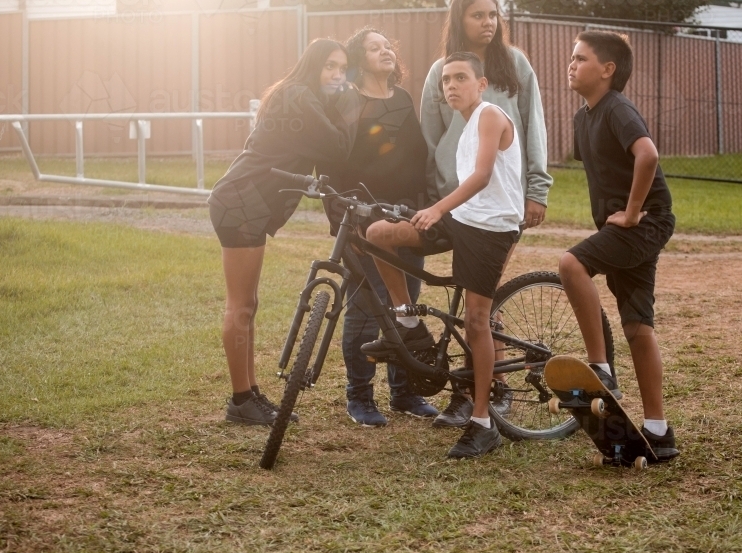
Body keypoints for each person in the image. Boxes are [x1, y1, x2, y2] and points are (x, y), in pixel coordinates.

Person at [362, 52, 523, 459]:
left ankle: (483, 422)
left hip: (491, 228)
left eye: (460, 78)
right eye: (446, 80)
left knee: (475, 321)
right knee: (378, 234)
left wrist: (437, 208)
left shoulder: (489, 115)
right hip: (462, 219)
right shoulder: (464, 123)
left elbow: (482, 176)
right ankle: (409, 321)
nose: (450, 85)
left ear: (481, 83)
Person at [421, 0, 553, 429]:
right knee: (463, 300)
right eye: (478, 15)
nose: (488, 22)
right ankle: (469, 389)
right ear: (459, 20)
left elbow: (534, 126)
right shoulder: (442, 71)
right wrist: (438, 200)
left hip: (498, 204)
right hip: (453, 204)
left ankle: (488, 393)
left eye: (493, 14)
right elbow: (431, 137)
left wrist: (537, 188)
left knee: (480, 302)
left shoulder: (514, 65)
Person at [208, 39, 359, 427]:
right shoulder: (299, 97)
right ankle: (241, 400)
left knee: (248, 304)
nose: (337, 75)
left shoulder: (297, 96)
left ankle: (250, 393)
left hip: (244, 201)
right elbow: (339, 148)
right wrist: (351, 104)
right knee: (240, 305)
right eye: (329, 66)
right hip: (241, 202)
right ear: (311, 65)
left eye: (342, 68)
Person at [559, 30, 680, 460]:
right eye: (571, 58)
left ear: (608, 70)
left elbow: (647, 155)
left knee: (571, 265)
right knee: (637, 327)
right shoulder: (583, 117)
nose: (571, 64)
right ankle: (658, 431)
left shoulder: (617, 108)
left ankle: (601, 369)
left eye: (581, 58)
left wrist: (630, 213)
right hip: (632, 230)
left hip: (644, 224)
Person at [320, 27, 439, 427]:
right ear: (359, 59)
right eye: (374, 48)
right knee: (366, 310)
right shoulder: (348, 101)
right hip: (362, 221)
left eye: (389, 45)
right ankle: (360, 396)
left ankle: (404, 393)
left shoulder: (403, 99)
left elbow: (416, 159)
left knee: (406, 306)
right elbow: (332, 163)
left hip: (407, 218)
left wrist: (424, 209)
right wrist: (341, 217)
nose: (385, 51)